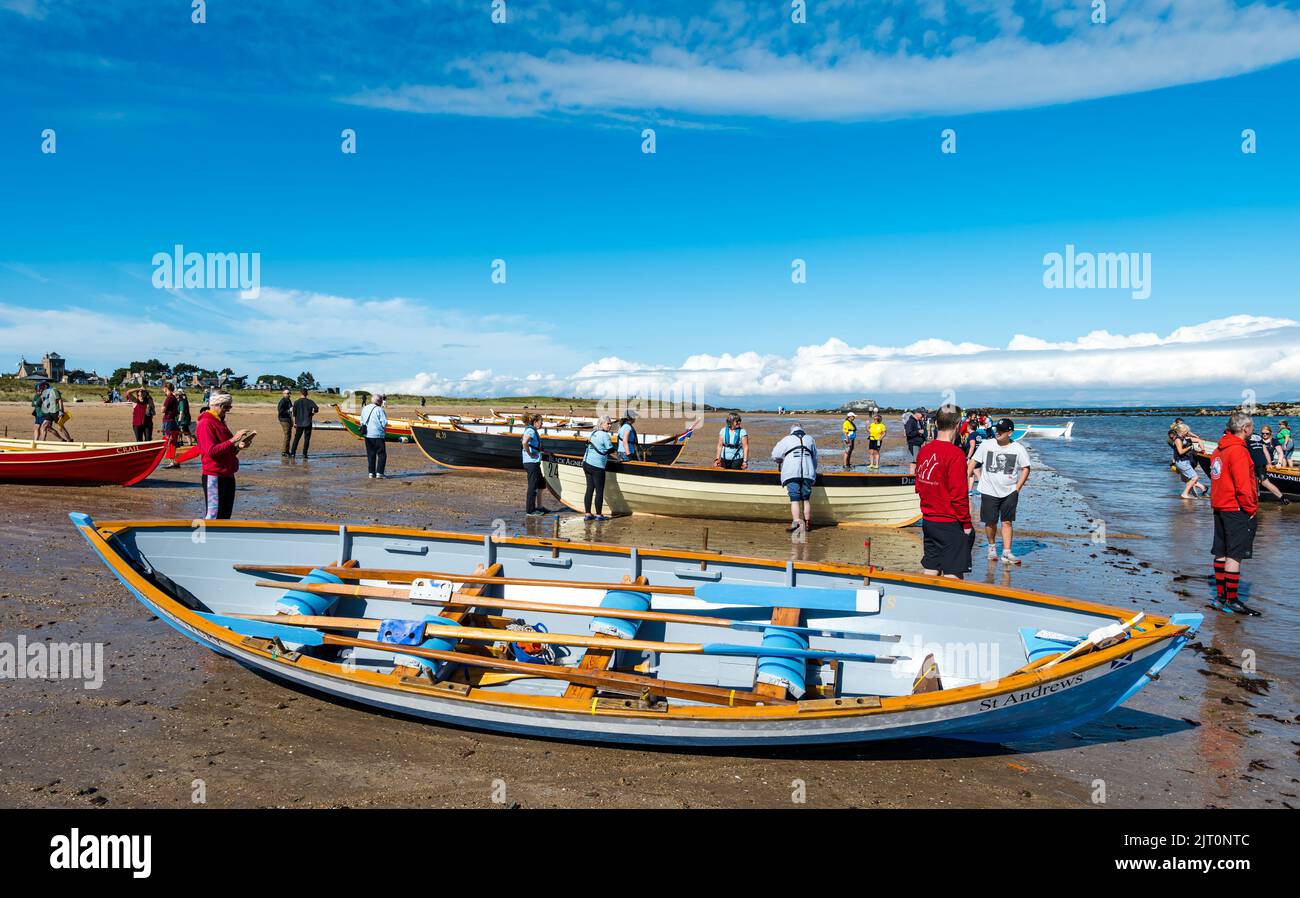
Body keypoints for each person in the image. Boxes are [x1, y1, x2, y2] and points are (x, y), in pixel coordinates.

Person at [1210, 412, 1261, 615]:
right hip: (1235, 507)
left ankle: (1221, 597)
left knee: (1221, 551)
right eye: (1252, 427)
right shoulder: (1238, 451)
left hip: (1220, 506)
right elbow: (1243, 485)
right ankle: (1231, 599)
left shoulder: (1218, 449)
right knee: (1234, 554)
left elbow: (1215, 477)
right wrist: (1251, 508)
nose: (1252, 431)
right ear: (1245, 428)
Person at [915, 406, 973, 579]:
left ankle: (925, 603)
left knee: (931, 568)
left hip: (929, 520)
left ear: (936, 423)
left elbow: (919, 486)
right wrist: (967, 525)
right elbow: (959, 495)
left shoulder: (925, 450)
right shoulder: (955, 454)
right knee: (953, 575)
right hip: (949, 522)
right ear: (957, 424)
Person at [968, 418, 1031, 565]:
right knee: (990, 522)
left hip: (1010, 491)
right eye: (997, 430)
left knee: (1007, 522)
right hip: (989, 490)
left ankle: (1007, 552)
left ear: (1010, 432)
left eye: (1002, 430)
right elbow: (973, 461)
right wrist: (966, 476)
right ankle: (991, 547)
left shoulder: (1018, 449)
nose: (998, 432)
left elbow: (1026, 468)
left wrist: (1018, 488)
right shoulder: (986, 445)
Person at [196, 392, 253, 520]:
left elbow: (226, 450)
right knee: (213, 515)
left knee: (225, 516)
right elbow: (211, 451)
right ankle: (209, 539)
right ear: (217, 405)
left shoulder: (219, 422)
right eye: (226, 407)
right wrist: (233, 439)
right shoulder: (205, 423)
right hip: (214, 476)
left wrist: (238, 447)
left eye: (229, 407)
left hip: (228, 474)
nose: (227, 411)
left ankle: (220, 539)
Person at [772, 422, 818, 533]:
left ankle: (797, 523)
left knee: (795, 499)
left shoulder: (786, 439)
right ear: (802, 429)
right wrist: (813, 471)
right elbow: (815, 458)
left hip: (792, 472)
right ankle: (807, 523)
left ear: (791, 430)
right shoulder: (810, 439)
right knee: (806, 499)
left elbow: (775, 454)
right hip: (808, 472)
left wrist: (779, 460)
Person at [582, 416, 616, 520]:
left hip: (586, 463)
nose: (610, 426)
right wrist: (621, 458)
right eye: (608, 424)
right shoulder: (605, 435)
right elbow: (611, 451)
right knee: (599, 491)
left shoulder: (592, 433)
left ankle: (587, 514)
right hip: (597, 466)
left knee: (589, 489)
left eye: (610, 424)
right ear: (601, 424)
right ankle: (598, 515)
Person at [1248, 425, 1290, 504]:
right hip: (1259, 463)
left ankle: (1282, 497)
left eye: (1266, 433)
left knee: (1263, 481)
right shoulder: (1259, 439)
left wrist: (1279, 463)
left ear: (1270, 433)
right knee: (1257, 480)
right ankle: (1256, 496)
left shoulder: (1274, 441)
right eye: (1263, 433)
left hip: (1269, 463)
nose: (1264, 435)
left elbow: (1280, 453)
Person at [521, 413, 552, 516]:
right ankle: (530, 510)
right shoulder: (530, 430)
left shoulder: (533, 431)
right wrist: (530, 453)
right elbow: (525, 442)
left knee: (541, 484)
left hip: (534, 462)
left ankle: (539, 506)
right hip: (530, 462)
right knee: (532, 486)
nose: (542, 424)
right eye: (541, 422)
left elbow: (535, 447)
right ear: (535, 422)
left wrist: (546, 452)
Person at [1171, 424, 1207, 499]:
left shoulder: (1185, 438)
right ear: (1182, 431)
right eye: (1187, 431)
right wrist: (1189, 447)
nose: (1188, 433)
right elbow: (1180, 452)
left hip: (1185, 461)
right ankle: (1185, 494)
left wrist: (1203, 450)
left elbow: (1199, 440)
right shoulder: (1178, 440)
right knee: (1195, 477)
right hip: (1181, 462)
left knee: (1186, 479)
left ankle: (1199, 489)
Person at [360, 393, 388, 478]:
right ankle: (380, 473)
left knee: (371, 454)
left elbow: (361, 421)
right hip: (378, 435)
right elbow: (384, 423)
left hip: (368, 435)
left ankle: (371, 473)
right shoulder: (380, 409)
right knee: (382, 454)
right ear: (379, 401)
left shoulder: (365, 408)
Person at [289, 388, 319, 458]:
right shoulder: (310, 401)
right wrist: (312, 413)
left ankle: (293, 453)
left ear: (300, 393)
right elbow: (317, 409)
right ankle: (304, 454)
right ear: (307, 394)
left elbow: (294, 414)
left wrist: (295, 422)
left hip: (299, 423)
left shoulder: (296, 402)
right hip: (308, 422)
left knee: (296, 439)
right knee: (307, 439)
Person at [160, 382, 181, 467]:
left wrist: (162, 407)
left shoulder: (169, 398)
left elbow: (163, 410)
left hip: (168, 420)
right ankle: (174, 460)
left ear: (166, 388)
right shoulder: (175, 398)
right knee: (173, 440)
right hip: (173, 420)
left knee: (168, 440)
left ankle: (172, 461)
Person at [904, 408, 926, 474]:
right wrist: (918, 431)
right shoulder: (910, 421)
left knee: (918, 462)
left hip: (919, 444)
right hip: (913, 444)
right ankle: (912, 478)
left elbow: (923, 431)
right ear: (917, 413)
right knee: (913, 463)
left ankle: (915, 477)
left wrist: (924, 440)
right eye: (922, 414)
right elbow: (908, 433)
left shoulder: (919, 421)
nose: (923, 416)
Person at [276, 388, 293, 457]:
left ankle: (286, 451)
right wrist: (289, 410)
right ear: (283, 394)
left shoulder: (288, 400)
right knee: (287, 435)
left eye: (289, 393)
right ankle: (284, 451)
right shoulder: (282, 401)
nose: (288, 395)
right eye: (286, 393)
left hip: (288, 419)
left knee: (289, 435)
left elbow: (290, 412)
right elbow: (280, 412)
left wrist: (292, 420)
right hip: (283, 419)